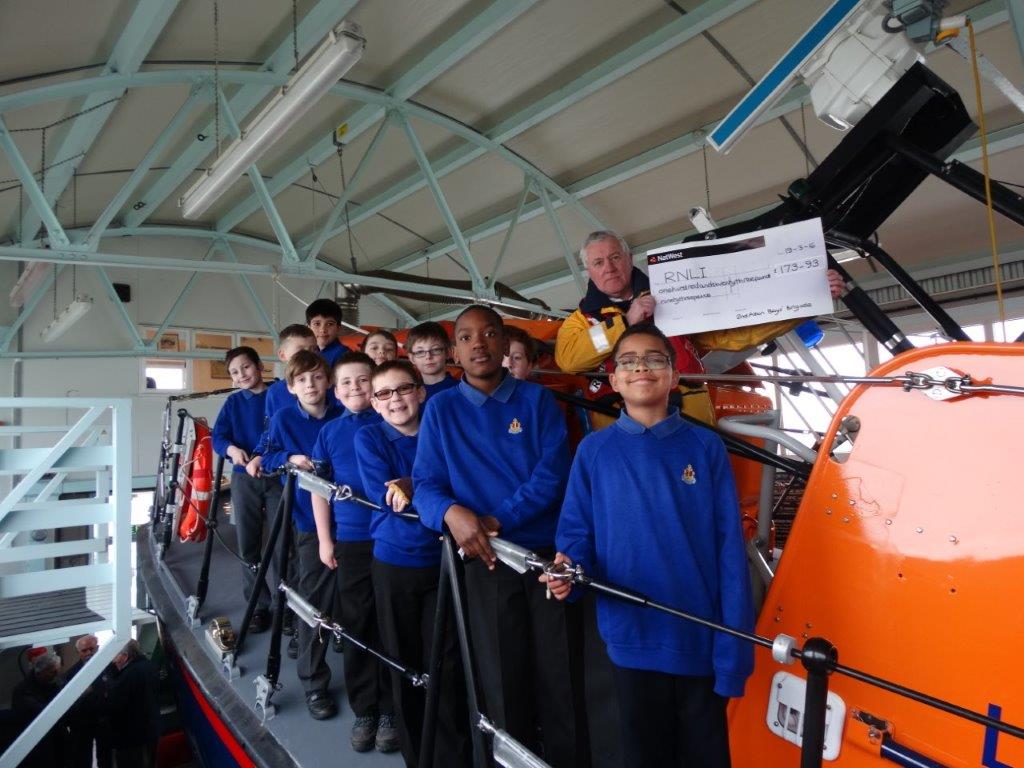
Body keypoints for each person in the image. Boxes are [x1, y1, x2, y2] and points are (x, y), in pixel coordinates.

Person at [544, 323, 754, 768]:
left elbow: (730, 554)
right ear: (614, 380)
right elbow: (577, 534)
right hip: (630, 639)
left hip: (700, 639)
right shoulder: (594, 451)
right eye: (628, 361)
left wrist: (735, 651)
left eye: (655, 358)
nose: (641, 366)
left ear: (674, 376)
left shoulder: (706, 446)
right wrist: (569, 574)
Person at [413, 305, 587, 767]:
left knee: (560, 678)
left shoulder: (537, 401)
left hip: (545, 559)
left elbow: (553, 475)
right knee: (501, 680)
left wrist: (495, 520)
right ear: (455, 351)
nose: (478, 344)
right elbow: (426, 484)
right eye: (467, 337)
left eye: (488, 334)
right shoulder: (441, 409)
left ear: (504, 343)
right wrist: (451, 513)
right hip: (485, 563)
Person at [555, 230, 845, 424]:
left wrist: (810, 298)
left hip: (688, 417)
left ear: (629, 259)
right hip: (617, 424)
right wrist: (624, 323)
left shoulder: (677, 296)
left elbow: (737, 332)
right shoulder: (580, 321)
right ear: (589, 270)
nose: (609, 266)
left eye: (615, 257)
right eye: (598, 261)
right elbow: (568, 358)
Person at [356, 360, 470, 768]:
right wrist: (429, 493)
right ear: (373, 402)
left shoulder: (442, 431)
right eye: (384, 394)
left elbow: (462, 485)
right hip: (396, 564)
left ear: (422, 392)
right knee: (404, 665)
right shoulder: (369, 439)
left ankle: (454, 755)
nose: (395, 400)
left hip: (445, 563)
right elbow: (387, 498)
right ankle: (416, 756)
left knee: (449, 663)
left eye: (403, 389)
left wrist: (411, 485)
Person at [310, 352, 398, 753]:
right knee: (359, 622)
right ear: (334, 387)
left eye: (363, 380)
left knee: (393, 621)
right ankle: (366, 708)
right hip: (353, 539)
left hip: (393, 539)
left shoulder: (392, 423)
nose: (355, 389)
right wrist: (325, 540)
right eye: (345, 382)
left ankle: (392, 710)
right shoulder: (329, 432)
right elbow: (318, 489)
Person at [262, 349, 343, 720]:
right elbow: (266, 457)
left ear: (328, 381)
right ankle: (313, 682)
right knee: (315, 598)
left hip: (355, 521)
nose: (311, 385)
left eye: (317, 377)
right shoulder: (282, 419)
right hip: (310, 523)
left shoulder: (345, 413)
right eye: (302, 380)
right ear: (291, 387)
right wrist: (289, 459)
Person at [212, 346, 281, 634]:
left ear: (260, 366)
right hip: (244, 479)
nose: (241, 375)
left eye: (246, 367)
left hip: (277, 475)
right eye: (234, 372)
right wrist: (230, 449)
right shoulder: (233, 403)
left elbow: (282, 431)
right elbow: (218, 436)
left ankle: (285, 601)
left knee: (282, 542)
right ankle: (258, 604)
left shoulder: (279, 396)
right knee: (248, 542)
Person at [105, 640, 160, 768]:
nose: (113, 661)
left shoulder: (127, 676)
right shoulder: (149, 666)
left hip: (130, 736)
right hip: (151, 730)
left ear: (125, 656)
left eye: (115, 656)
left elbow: (115, 704)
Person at [64, 634, 114, 768]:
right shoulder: (71, 675)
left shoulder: (109, 666)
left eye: (91, 649)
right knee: (82, 758)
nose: (89, 653)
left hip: (104, 721)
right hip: (82, 724)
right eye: (84, 651)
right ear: (78, 653)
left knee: (106, 757)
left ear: (97, 648)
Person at [12, 650, 67, 767]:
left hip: (57, 742)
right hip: (36, 745)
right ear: (42, 672)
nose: (56, 675)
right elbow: (42, 712)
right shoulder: (23, 690)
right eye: (53, 672)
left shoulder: (53, 683)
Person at [405, 321, 458, 398]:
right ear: (412, 358)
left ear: (447, 352)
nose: (428, 356)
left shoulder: (462, 390)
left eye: (435, 350)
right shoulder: (410, 395)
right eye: (420, 352)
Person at [306, 298, 350, 367]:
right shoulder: (308, 352)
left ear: (338, 328)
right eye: (317, 324)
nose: (323, 330)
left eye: (330, 324)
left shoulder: (343, 355)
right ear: (308, 327)